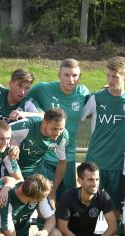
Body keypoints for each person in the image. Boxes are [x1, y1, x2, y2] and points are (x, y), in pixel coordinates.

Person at [80, 56, 125, 200]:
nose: (110, 80)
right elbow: (78, 115)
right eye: (108, 75)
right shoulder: (97, 98)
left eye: (115, 76)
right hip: (95, 161)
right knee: (89, 204)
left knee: (116, 208)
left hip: (117, 164)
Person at [26, 58, 90, 199]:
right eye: (67, 75)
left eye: (75, 75)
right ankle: (45, 221)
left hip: (68, 155)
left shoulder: (83, 92)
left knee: (68, 200)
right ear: (59, 75)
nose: (71, 79)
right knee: (44, 196)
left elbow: (96, 104)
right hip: (45, 153)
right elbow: (21, 95)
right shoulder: (43, 88)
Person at [54, 161, 123, 236]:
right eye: (90, 180)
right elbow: (62, 228)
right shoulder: (68, 196)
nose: (95, 183)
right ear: (80, 181)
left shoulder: (103, 196)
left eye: (97, 179)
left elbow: (113, 227)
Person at [9, 108, 69, 206]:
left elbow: (62, 162)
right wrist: (12, 141)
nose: (58, 133)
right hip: (15, 166)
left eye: (61, 129)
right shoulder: (27, 126)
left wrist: (53, 191)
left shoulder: (63, 136)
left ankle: (43, 221)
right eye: (54, 128)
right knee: (13, 200)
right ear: (44, 123)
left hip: (37, 166)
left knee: (48, 202)